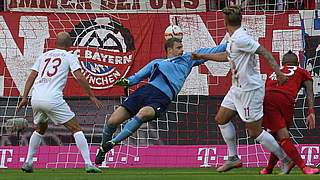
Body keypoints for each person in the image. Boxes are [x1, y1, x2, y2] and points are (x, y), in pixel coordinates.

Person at [94, 37, 227, 165]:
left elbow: (214, 50)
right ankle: (102, 150)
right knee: (112, 121)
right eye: (179, 48)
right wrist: (125, 81)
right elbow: (135, 78)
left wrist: (232, 42)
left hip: (161, 98)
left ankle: (113, 142)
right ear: (169, 50)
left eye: (182, 47)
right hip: (144, 92)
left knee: (143, 114)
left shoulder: (188, 59)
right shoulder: (156, 63)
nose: (182, 50)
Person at [191, 5, 291, 173]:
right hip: (236, 88)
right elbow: (227, 57)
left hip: (249, 90)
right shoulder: (234, 37)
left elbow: (264, 52)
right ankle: (233, 158)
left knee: (254, 132)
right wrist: (203, 56)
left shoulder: (242, 38)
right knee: (221, 118)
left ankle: (285, 159)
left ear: (224, 22)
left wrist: (279, 73)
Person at [17, 32, 102, 173]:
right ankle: (88, 163)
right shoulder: (70, 56)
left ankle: (28, 162)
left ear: (55, 43)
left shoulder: (44, 56)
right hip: (52, 98)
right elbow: (79, 76)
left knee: (40, 129)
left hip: (36, 97)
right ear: (70, 44)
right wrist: (91, 95)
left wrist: (24, 97)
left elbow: (32, 75)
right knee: (76, 129)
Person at [259, 51, 319, 174]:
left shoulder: (274, 72)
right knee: (280, 136)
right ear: (297, 63)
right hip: (287, 102)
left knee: (280, 136)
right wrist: (311, 112)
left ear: (283, 63)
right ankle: (270, 169)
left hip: (269, 99)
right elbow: (309, 92)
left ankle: (301, 167)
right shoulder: (302, 71)